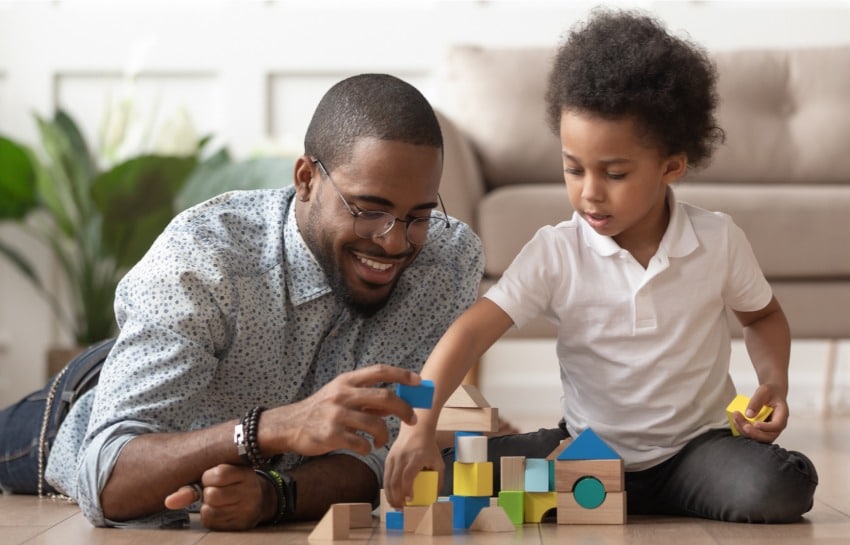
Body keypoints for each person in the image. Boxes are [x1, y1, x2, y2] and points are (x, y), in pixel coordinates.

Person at [384, 9, 818, 524]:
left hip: (697, 453)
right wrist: (417, 428)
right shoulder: (556, 250)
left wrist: (776, 382)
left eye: (614, 173)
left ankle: (609, 499)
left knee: (780, 488)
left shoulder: (716, 239)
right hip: (588, 450)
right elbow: (469, 334)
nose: (589, 192)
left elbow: (762, 316)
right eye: (573, 168)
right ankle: (594, 489)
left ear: (671, 166)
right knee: (452, 470)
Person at [0, 74, 484, 530]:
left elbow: (376, 455)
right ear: (306, 179)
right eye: (369, 210)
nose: (395, 243)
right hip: (79, 410)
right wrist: (269, 429)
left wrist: (274, 494)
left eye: (417, 217)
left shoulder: (445, 265)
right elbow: (104, 477)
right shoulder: (204, 257)